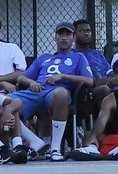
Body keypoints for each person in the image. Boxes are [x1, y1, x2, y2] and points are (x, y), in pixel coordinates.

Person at [11, 24, 95, 161]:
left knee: (60, 93)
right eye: (60, 34)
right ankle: (35, 141)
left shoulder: (78, 57)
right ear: (55, 37)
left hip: (56, 93)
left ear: (73, 38)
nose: (64, 38)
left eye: (68, 34)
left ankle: (55, 148)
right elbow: (21, 77)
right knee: (3, 102)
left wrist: (63, 76)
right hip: (35, 92)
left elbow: (89, 81)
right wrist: (32, 83)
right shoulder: (44, 57)